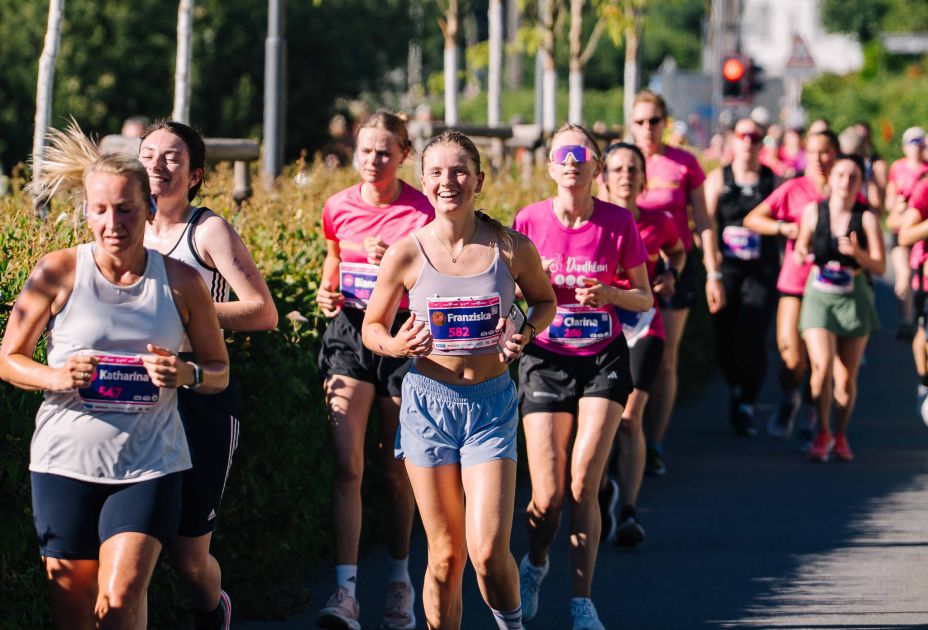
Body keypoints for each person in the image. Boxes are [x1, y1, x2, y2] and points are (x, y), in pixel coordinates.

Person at [0, 123, 229, 629]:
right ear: (85, 212)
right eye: (100, 210)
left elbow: (219, 372)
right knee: (74, 611)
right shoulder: (57, 271)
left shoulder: (182, 281)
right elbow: (8, 357)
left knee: (121, 601)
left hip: (149, 464)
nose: (113, 222)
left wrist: (184, 372)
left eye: (126, 209)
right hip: (64, 462)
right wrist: (57, 377)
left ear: (149, 208)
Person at [362, 130, 556, 630]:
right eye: (438, 173)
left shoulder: (511, 248)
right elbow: (372, 329)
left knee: (489, 552)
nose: (449, 181)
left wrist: (524, 332)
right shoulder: (406, 253)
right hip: (428, 404)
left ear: (479, 180)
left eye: (460, 171)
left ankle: (511, 624)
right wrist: (399, 346)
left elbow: (545, 301)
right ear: (423, 181)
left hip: (490, 405)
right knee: (446, 559)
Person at [138, 120, 278, 630]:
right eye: (148, 154)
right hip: (136, 397)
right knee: (132, 549)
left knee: (189, 558)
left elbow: (263, 311)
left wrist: (188, 310)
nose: (157, 165)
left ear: (194, 175)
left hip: (201, 396)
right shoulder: (123, 225)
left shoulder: (207, 230)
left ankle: (212, 611)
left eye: (172, 157)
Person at [514, 126, 651, 629]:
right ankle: (536, 562)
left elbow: (645, 298)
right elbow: (506, 290)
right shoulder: (528, 220)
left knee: (582, 484)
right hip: (546, 358)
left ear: (596, 168)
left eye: (582, 154)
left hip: (602, 359)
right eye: (562, 154)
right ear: (550, 167)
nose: (572, 162)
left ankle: (581, 602)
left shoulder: (618, 222)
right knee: (546, 498)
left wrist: (612, 295)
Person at [314, 112, 434, 630]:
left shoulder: (422, 210)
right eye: (365, 151)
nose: (373, 161)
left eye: (384, 152)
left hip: (402, 335)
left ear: (403, 155)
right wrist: (325, 291)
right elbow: (334, 261)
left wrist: (399, 269)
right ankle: (345, 592)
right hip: (349, 333)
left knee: (395, 465)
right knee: (347, 462)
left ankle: (401, 580)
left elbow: (437, 281)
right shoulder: (337, 206)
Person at [627, 90, 724, 477]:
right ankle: (624, 433)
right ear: (630, 124)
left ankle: (655, 443)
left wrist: (714, 272)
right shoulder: (619, 162)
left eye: (654, 120)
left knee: (666, 359)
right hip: (628, 273)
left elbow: (703, 222)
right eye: (640, 121)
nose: (648, 128)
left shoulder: (684, 163)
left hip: (673, 269)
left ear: (666, 122)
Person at [598, 141, 685, 548]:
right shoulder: (593, 223)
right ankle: (599, 487)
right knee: (601, 420)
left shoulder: (659, 221)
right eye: (617, 168)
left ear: (643, 178)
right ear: (603, 177)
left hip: (643, 323)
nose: (626, 176)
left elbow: (678, 251)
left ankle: (629, 510)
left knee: (630, 416)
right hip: (598, 326)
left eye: (633, 169)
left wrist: (669, 276)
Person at [743, 129, 839, 441]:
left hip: (830, 285)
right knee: (790, 355)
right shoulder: (794, 188)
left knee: (819, 360)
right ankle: (790, 397)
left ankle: (813, 409)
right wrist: (784, 227)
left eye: (825, 152)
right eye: (812, 152)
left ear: (835, 154)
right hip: (795, 281)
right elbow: (753, 219)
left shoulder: (845, 190)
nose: (819, 159)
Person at [794, 153, 884, 462]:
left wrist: (858, 253)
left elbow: (881, 266)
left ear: (860, 183)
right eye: (841, 175)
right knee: (821, 366)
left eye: (853, 177)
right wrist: (801, 251)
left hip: (853, 295)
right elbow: (800, 248)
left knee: (846, 378)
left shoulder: (867, 217)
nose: (846, 182)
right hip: (819, 294)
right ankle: (822, 432)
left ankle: (841, 433)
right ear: (830, 178)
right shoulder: (813, 211)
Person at [705, 118, 779, 436]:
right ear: (733, 140)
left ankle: (748, 400)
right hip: (728, 267)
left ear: (762, 143)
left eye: (755, 136)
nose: (748, 141)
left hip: (761, 269)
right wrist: (712, 269)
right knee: (725, 336)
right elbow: (706, 225)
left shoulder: (772, 180)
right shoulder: (717, 178)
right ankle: (736, 385)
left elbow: (789, 218)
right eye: (743, 135)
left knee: (753, 333)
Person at [885, 127, 928, 338]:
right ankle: (907, 320)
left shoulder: (927, 172)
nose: (917, 146)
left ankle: (917, 318)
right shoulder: (898, 168)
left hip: (920, 236)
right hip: (902, 231)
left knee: (918, 282)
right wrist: (897, 207)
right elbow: (889, 206)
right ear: (904, 146)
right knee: (903, 276)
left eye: (920, 141)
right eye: (912, 142)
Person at [896, 170, 928, 422]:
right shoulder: (925, 189)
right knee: (924, 343)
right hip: (926, 279)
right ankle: (924, 382)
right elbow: (905, 234)